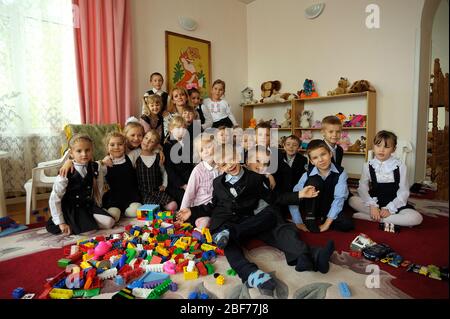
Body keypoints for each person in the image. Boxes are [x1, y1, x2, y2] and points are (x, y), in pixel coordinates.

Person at [195, 145, 335, 292]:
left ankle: (313, 255)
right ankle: (249, 273)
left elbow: (274, 198)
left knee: (274, 225)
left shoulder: (255, 178)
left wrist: (299, 194)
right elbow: (213, 204)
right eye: (224, 164)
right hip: (228, 220)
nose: (230, 165)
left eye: (232, 160)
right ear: (218, 167)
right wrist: (192, 211)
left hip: (251, 220)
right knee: (227, 242)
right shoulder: (217, 182)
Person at [349, 130, 423, 226]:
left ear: (393, 149)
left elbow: (404, 191)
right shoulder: (368, 165)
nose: (381, 150)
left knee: (416, 218)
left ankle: (372, 218)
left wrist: (390, 208)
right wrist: (372, 205)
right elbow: (362, 187)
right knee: (352, 200)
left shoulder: (400, 166)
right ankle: (381, 216)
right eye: (378, 146)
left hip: (394, 203)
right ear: (373, 146)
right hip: (375, 202)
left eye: (386, 147)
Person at [46, 134, 116, 235]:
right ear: (71, 153)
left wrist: (99, 206)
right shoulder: (66, 171)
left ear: (92, 150)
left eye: (87, 150)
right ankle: (66, 223)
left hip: (87, 206)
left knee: (110, 222)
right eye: (79, 151)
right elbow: (55, 197)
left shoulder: (95, 166)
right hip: (72, 209)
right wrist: (60, 223)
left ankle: (85, 223)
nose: (84, 154)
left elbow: (100, 183)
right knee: (89, 231)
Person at [289, 139, 354, 233]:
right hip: (312, 207)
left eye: (323, 154)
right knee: (314, 180)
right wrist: (297, 221)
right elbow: (294, 196)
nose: (320, 160)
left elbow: (339, 198)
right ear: (311, 161)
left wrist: (327, 223)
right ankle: (311, 217)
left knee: (347, 224)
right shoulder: (307, 175)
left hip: (330, 206)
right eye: (315, 158)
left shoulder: (341, 172)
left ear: (330, 154)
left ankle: (324, 218)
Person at [176, 134, 220, 229]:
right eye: (201, 150)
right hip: (200, 209)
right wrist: (182, 213)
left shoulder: (220, 167)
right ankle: (198, 230)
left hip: (215, 207)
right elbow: (189, 193)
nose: (206, 152)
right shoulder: (198, 170)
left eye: (208, 147)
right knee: (205, 222)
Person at [128, 130, 177, 211]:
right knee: (154, 208)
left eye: (152, 141)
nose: (147, 142)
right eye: (146, 138)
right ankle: (159, 208)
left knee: (173, 206)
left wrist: (164, 184)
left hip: (157, 190)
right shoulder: (135, 155)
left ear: (156, 145)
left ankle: (163, 207)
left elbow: (164, 172)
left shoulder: (158, 156)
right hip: (143, 193)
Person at [99, 132, 141, 219]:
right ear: (107, 147)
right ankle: (115, 212)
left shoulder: (130, 157)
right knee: (114, 216)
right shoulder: (105, 163)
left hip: (131, 196)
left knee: (135, 211)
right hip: (114, 197)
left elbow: (146, 148)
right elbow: (92, 168)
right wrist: (102, 162)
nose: (116, 147)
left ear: (125, 146)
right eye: (112, 145)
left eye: (120, 144)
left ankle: (125, 212)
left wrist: (159, 150)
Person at [163, 115, 194, 206]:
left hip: (189, 179)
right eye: (178, 127)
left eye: (184, 128)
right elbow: (169, 169)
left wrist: (192, 181)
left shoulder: (188, 143)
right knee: (186, 202)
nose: (182, 130)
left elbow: (190, 165)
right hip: (176, 183)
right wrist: (182, 185)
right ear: (171, 129)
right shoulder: (168, 145)